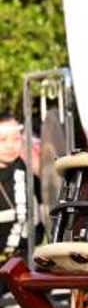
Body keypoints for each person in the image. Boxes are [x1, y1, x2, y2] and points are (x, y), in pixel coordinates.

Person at [0, 113, 40, 266]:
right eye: (2, 140)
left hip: (29, 261)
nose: (10, 145)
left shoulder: (28, 166)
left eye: (16, 139)